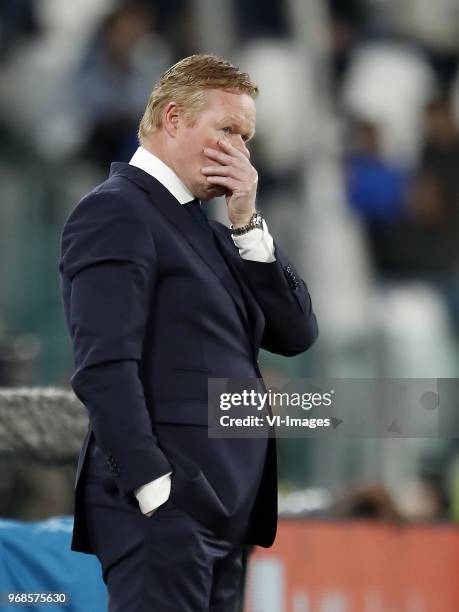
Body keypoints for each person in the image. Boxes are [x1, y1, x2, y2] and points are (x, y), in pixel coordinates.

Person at [59, 54, 318, 612]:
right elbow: (104, 367)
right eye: (227, 130)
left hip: (223, 512)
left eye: (246, 139)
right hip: (166, 513)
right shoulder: (115, 212)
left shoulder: (209, 225)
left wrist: (248, 221)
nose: (240, 153)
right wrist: (155, 492)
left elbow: (296, 333)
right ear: (173, 119)